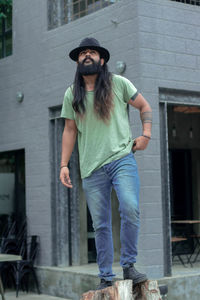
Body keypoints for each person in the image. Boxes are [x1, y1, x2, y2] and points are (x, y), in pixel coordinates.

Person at [60, 37, 152, 290]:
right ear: (78, 60)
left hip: (122, 159)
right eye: (82, 53)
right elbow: (69, 130)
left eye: (92, 52)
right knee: (100, 224)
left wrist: (146, 134)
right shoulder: (71, 93)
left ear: (102, 60)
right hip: (91, 167)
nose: (87, 55)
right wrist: (64, 164)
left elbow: (144, 106)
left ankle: (129, 266)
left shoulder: (118, 84)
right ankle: (105, 276)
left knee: (130, 208)